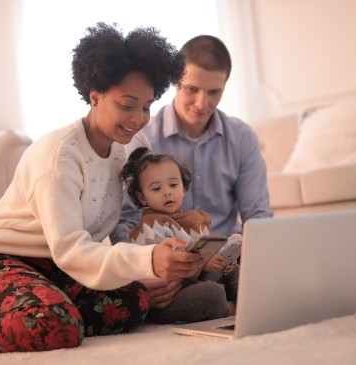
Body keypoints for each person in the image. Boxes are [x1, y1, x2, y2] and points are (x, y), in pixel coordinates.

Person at [0, 22, 206, 354]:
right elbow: (71, 249)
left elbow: (91, 244)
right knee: (54, 324)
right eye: (128, 105)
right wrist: (147, 260)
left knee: (134, 299)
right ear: (95, 96)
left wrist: (143, 271)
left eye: (146, 106)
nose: (139, 118)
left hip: (56, 270)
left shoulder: (116, 153)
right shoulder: (59, 156)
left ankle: (30, 309)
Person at [111, 35, 273, 311]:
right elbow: (124, 221)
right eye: (192, 89)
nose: (202, 103)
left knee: (269, 285)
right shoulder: (142, 138)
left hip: (228, 259)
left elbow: (257, 217)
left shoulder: (241, 137)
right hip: (170, 265)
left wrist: (262, 260)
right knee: (209, 299)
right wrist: (144, 273)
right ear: (175, 82)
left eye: (214, 92)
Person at [120, 146, 239, 323]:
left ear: (183, 188)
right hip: (170, 298)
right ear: (142, 197)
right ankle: (232, 309)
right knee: (212, 295)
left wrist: (225, 261)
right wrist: (202, 264)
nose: (167, 191)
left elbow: (209, 252)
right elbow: (170, 266)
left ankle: (252, 302)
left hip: (201, 281)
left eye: (173, 185)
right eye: (156, 188)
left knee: (239, 272)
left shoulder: (194, 219)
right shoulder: (150, 227)